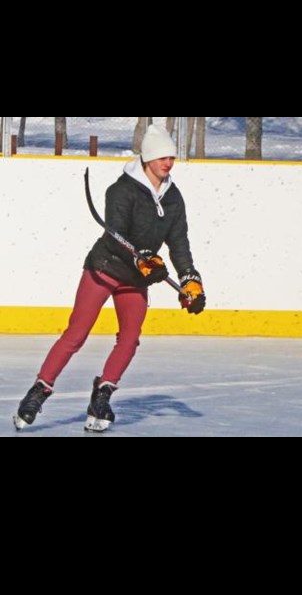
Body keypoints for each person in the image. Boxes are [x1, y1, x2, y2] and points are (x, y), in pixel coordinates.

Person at [13, 124, 206, 432]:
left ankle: (102, 394)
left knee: (130, 339)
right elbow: (117, 234)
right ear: (147, 158)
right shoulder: (122, 189)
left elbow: (179, 241)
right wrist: (144, 257)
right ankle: (39, 390)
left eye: (171, 157)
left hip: (137, 279)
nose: (168, 163)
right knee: (76, 334)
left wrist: (190, 279)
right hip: (105, 269)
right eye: (162, 157)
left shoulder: (173, 198)